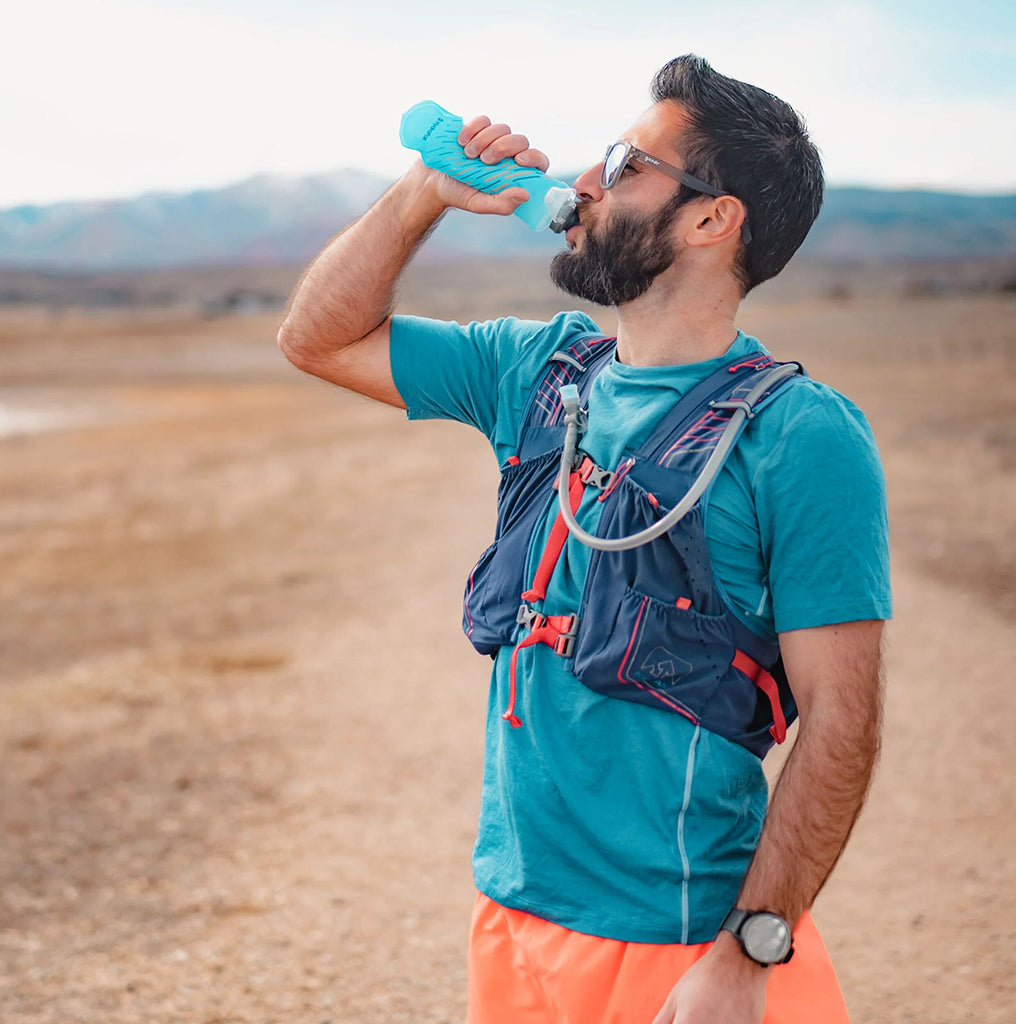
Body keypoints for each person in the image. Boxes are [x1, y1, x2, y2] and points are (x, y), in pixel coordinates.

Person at [278, 54, 891, 1024]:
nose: (587, 179)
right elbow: (317, 337)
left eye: (627, 161)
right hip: (513, 921)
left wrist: (747, 954)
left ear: (707, 218)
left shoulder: (801, 435)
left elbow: (842, 720)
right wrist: (422, 195)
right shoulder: (535, 367)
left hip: (681, 944)